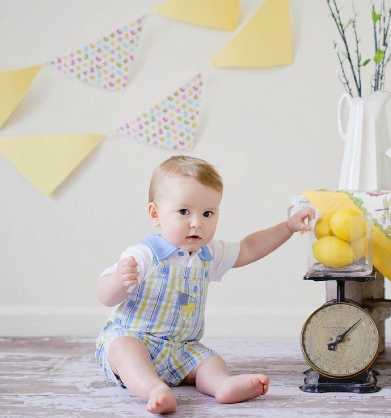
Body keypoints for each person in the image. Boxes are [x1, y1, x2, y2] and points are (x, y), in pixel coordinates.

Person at [95, 155, 315, 414]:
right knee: (125, 349)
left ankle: (222, 385)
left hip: (181, 349)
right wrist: (118, 281)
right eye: (183, 212)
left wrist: (288, 227)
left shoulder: (207, 254)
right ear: (155, 214)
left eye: (207, 213)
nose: (197, 222)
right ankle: (153, 389)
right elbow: (105, 296)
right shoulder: (145, 255)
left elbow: (249, 248)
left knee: (208, 360)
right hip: (137, 339)